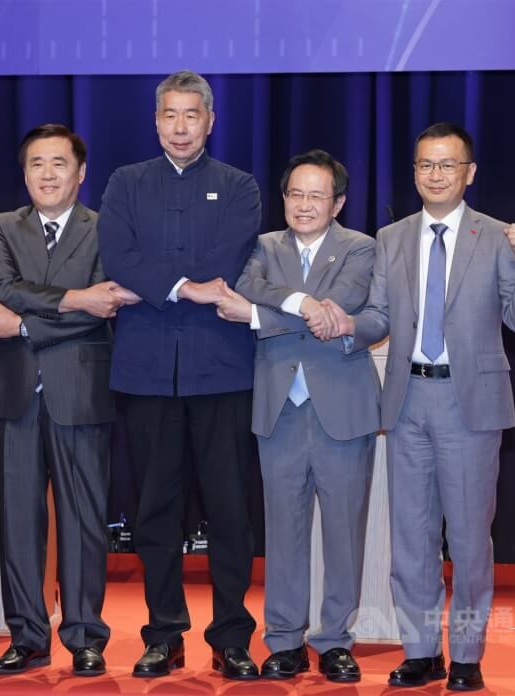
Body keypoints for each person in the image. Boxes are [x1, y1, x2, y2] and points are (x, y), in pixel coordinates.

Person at [317, 122, 515, 691]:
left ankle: (466, 654)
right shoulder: (391, 237)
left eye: (447, 165)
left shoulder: (497, 236)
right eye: (425, 165)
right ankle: (422, 652)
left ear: (470, 173)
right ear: (414, 171)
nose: (435, 175)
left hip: (470, 405)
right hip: (407, 400)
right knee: (411, 540)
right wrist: (347, 326)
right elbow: (379, 315)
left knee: (468, 541)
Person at [97, 70, 262, 680]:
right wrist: (186, 286)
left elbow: (229, 258)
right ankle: (163, 633)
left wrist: (168, 283)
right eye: (170, 114)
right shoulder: (126, 182)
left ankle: (232, 635)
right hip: (147, 373)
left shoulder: (239, 186)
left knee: (229, 509)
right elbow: (119, 256)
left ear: (210, 121)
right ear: (156, 120)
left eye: (192, 115)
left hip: (221, 368)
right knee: (155, 510)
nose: (181, 126)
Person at [0, 124, 136, 677]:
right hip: (14, 392)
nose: (47, 174)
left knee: (84, 519)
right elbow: (3, 288)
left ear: (80, 172)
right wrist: (74, 299)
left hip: (81, 389)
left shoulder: (106, 228)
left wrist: (23, 326)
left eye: (59, 163)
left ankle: (86, 635)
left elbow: (105, 306)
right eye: (36, 164)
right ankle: (27, 636)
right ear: (24, 173)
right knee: (18, 520)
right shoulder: (0, 227)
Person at [216, 150, 379, 683]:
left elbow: (343, 304)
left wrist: (261, 316)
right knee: (283, 532)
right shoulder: (260, 246)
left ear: (338, 203)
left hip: (343, 408)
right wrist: (301, 305)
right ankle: (284, 640)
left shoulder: (361, 248)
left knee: (343, 532)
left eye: (316, 195)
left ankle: (335, 641)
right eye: (295, 194)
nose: (304, 205)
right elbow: (247, 287)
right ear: (283, 198)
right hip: (280, 409)